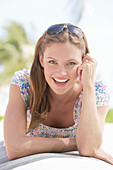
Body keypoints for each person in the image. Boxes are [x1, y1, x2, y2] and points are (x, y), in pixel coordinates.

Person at [4, 23, 113, 164]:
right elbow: (14, 148)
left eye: (71, 63)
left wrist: (89, 86)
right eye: (52, 62)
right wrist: (74, 142)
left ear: (84, 62)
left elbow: (88, 149)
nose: (61, 73)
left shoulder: (97, 91)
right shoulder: (24, 84)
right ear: (41, 60)